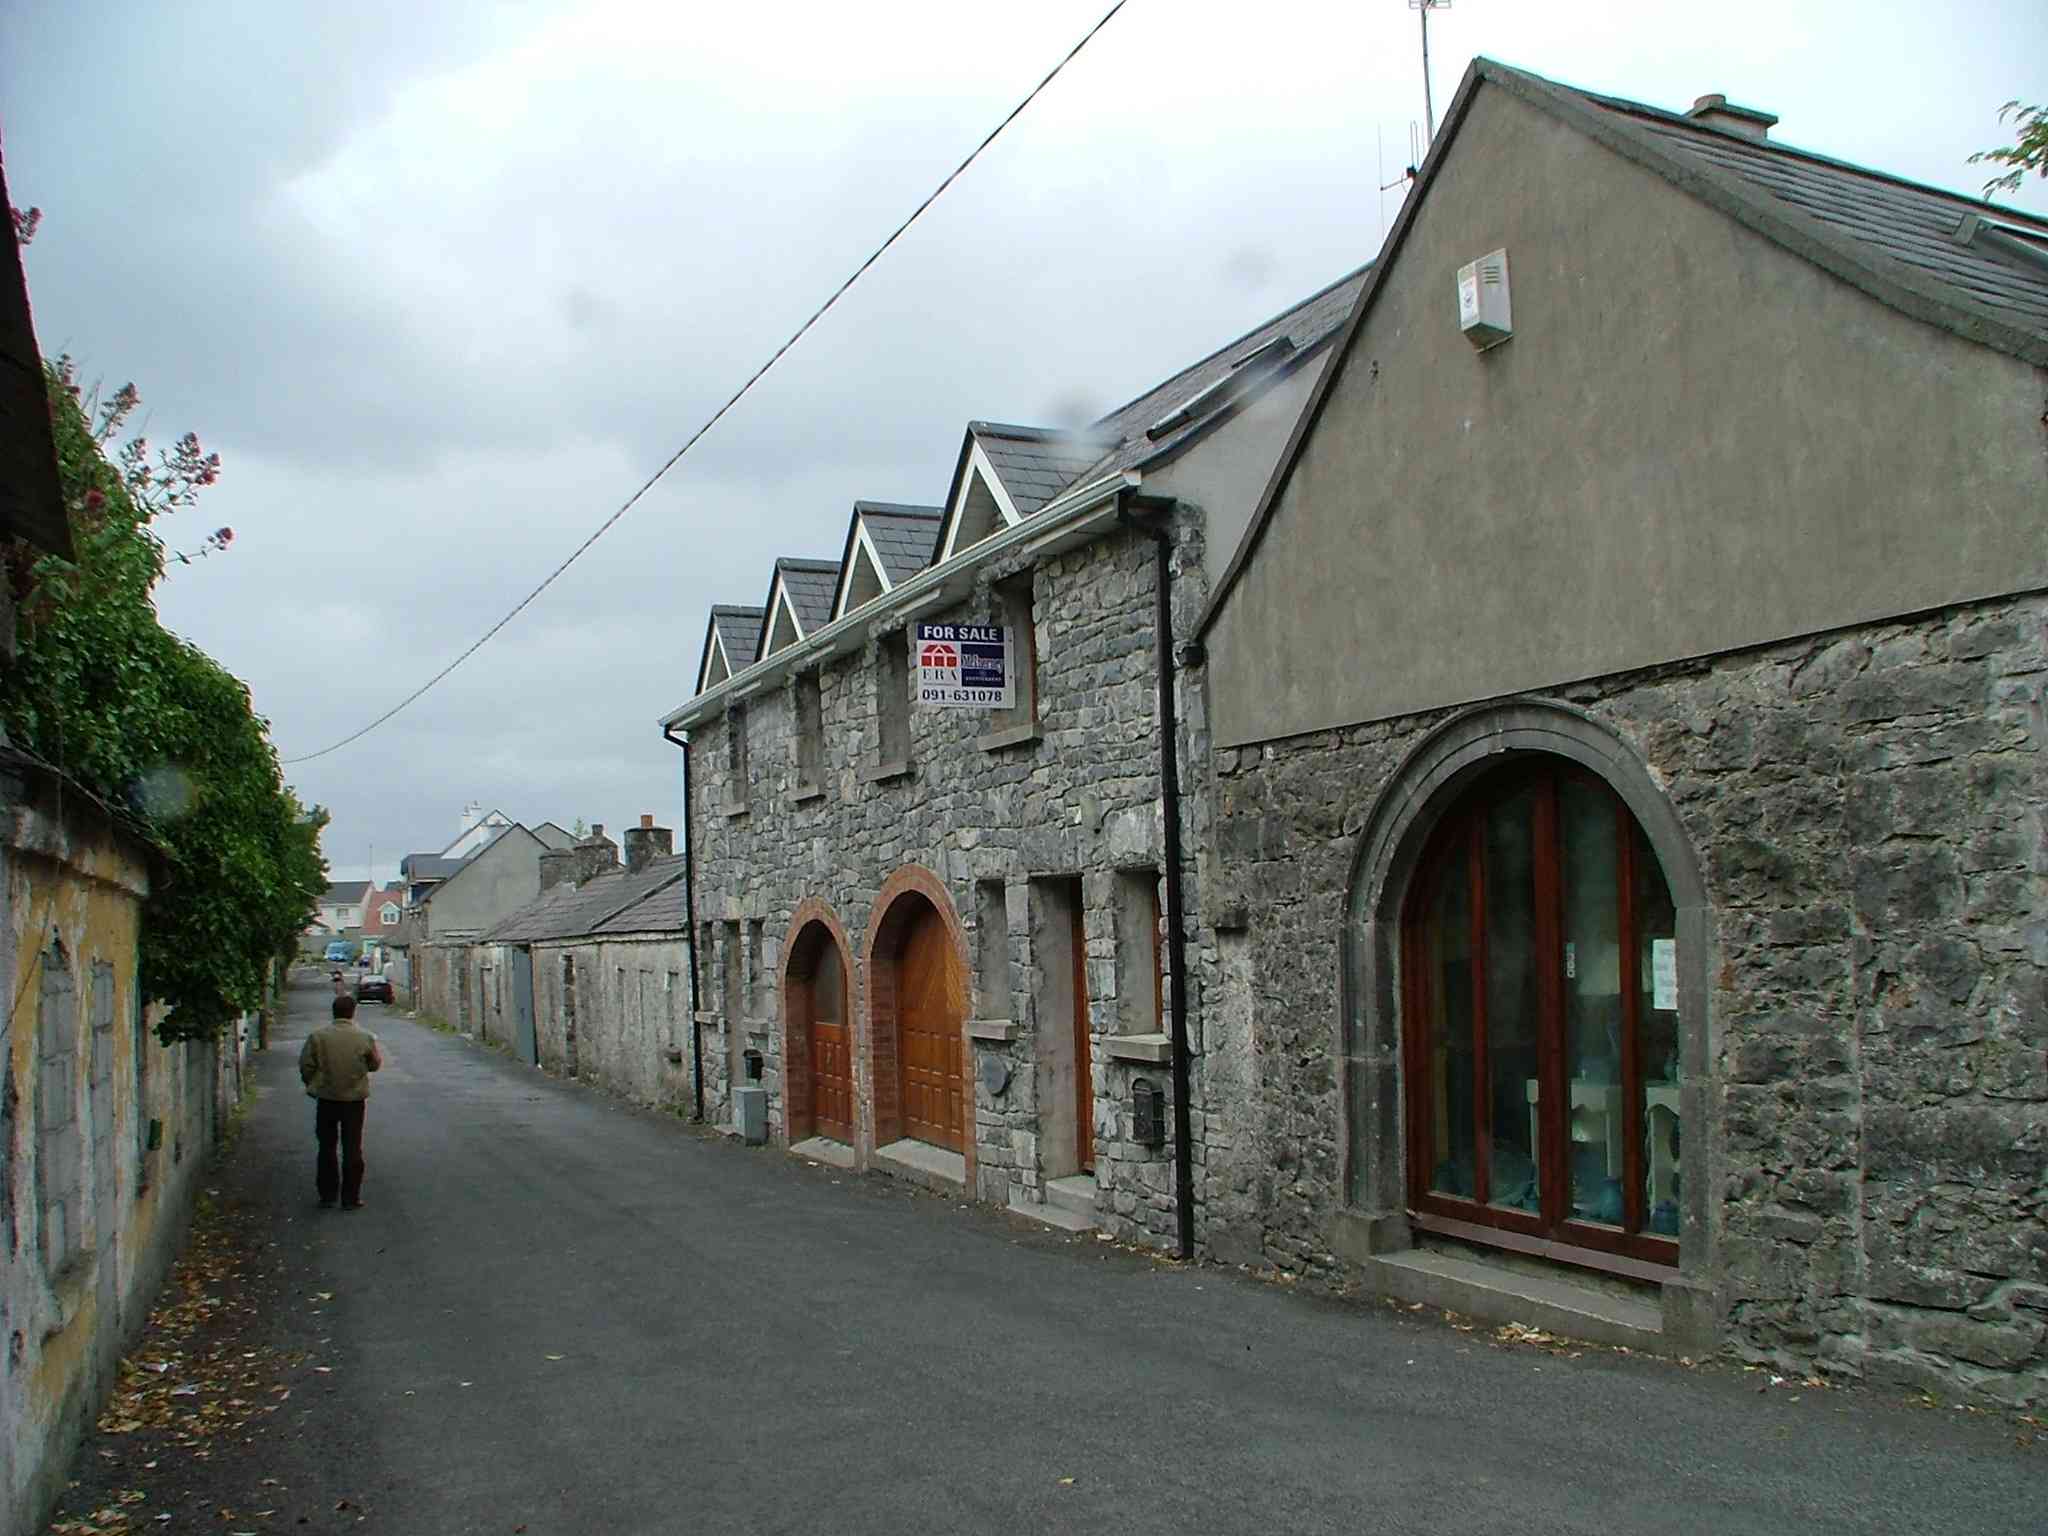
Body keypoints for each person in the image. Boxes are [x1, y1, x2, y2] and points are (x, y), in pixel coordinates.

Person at [299, 992, 384, 1210]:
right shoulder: (365, 1037)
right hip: (354, 1100)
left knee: (326, 1147)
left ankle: (327, 1195)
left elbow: (306, 1065)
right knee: (352, 1147)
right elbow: (374, 1064)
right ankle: (350, 1197)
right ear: (352, 1012)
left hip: (326, 1098)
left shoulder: (318, 1037)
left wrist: (314, 1084)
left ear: (334, 1012)